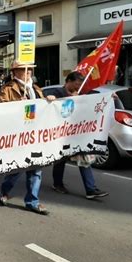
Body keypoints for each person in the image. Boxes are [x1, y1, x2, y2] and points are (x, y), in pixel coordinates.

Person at [0, 60, 55, 215]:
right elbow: (0, 111)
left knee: (36, 170)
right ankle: (5, 191)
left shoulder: (36, 88)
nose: (28, 72)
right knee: (17, 169)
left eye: (29, 69)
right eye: (23, 69)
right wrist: (16, 106)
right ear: (15, 73)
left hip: (35, 136)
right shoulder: (8, 89)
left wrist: (48, 101)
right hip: (19, 137)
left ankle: (32, 201)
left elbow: (43, 110)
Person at [43, 71, 109, 199]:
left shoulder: (81, 95)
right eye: (76, 84)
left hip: (77, 135)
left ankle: (91, 189)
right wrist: (50, 99)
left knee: (84, 159)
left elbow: (94, 102)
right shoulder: (57, 93)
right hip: (61, 135)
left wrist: (109, 97)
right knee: (60, 160)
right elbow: (45, 104)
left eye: (80, 85)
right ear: (68, 81)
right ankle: (57, 184)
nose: (78, 87)